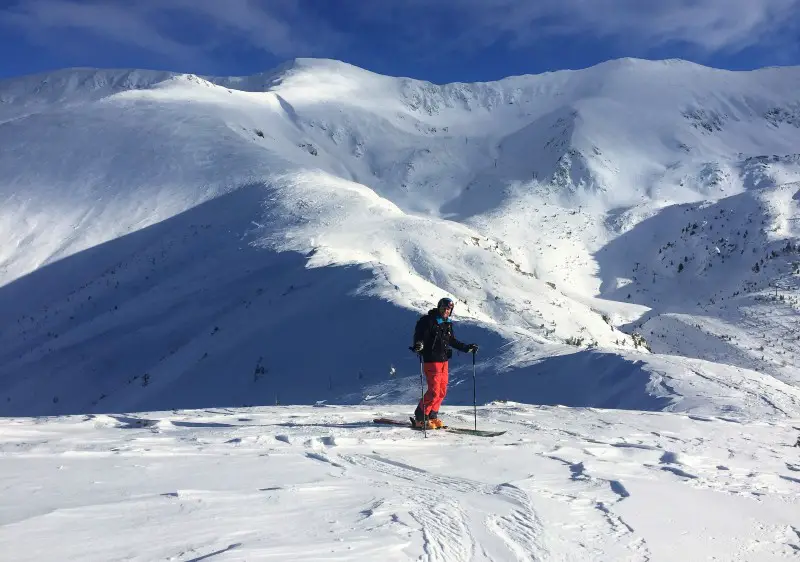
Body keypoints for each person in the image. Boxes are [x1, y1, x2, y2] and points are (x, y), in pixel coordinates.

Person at [411, 297, 478, 429]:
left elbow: (451, 341)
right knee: (434, 391)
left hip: (443, 361)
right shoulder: (428, 321)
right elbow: (419, 336)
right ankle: (420, 416)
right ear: (439, 307)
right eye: (444, 308)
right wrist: (419, 345)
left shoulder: (447, 324)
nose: (446, 311)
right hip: (432, 360)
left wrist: (466, 348)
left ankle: (432, 415)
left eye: (448, 309)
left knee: (442, 391)